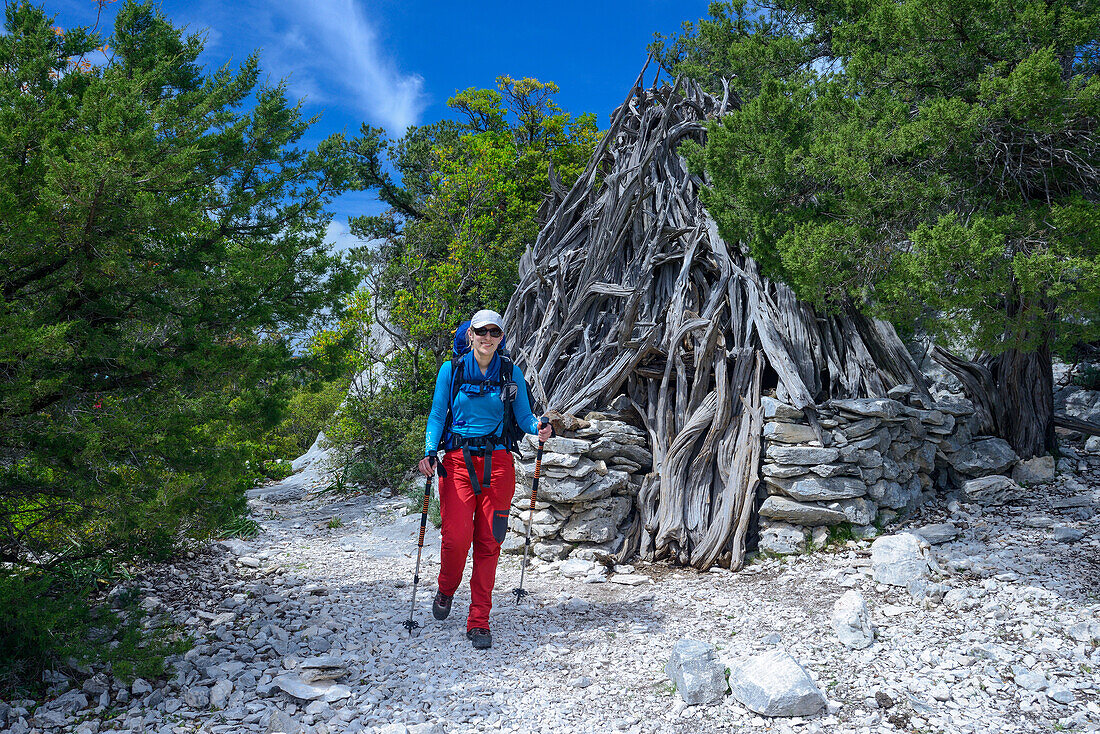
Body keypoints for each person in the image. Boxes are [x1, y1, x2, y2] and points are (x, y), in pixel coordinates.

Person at [418, 309, 552, 649]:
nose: (487, 337)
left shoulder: (511, 372)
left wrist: (540, 427)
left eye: (494, 332)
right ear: (471, 335)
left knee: (490, 543)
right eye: (481, 331)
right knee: (456, 539)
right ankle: (446, 589)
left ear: (501, 337)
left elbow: (523, 416)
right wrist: (430, 450)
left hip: (498, 465)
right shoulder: (452, 370)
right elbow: (436, 415)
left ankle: (479, 621)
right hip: (458, 464)